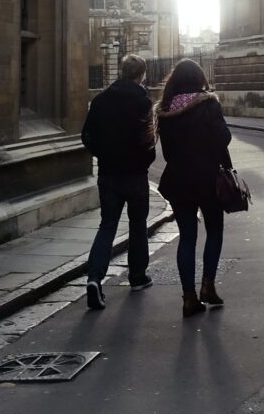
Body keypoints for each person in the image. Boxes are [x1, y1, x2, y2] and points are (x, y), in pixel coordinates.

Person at [156, 58, 232, 318]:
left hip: (178, 179)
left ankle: (188, 297)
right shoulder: (208, 103)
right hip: (208, 178)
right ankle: (208, 285)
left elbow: (166, 152)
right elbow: (224, 138)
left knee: (187, 237)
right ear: (200, 78)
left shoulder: (165, 110)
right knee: (215, 231)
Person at [81, 53, 156, 311]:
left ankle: (94, 278)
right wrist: (146, 159)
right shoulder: (143, 102)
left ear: (122, 72)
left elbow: (87, 135)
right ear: (141, 75)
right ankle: (137, 277)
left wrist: (103, 154)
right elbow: (149, 140)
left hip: (109, 174)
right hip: (135, 175)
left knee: (107, 226)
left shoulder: (101, 100)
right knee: (138, 226)